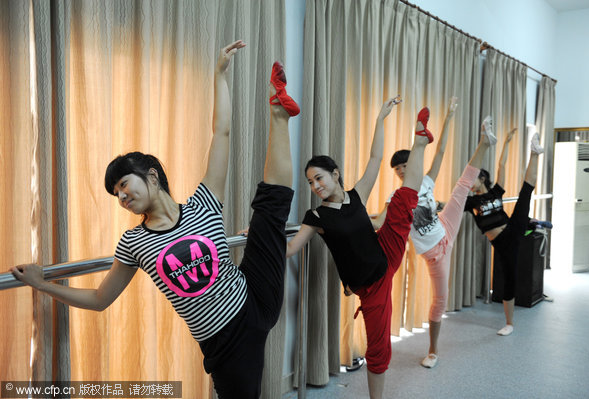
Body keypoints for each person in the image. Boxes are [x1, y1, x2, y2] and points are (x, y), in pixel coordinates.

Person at [11, 41, 300, 399]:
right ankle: (278, 113)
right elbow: (101, 298)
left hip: (253, 294)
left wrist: (219, 75)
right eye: (116, 194)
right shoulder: (133, 243)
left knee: (270, 209)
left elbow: (221, 133)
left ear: (150, 175)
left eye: (123, 184)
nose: (121, 196)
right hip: (226, 340)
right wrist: (42, 285)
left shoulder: (203, 203)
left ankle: (278, 113)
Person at [287, 98, 431, 399]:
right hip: (371, 283)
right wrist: (261, 232)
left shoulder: (356, 194)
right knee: (378, 347)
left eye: (319, 178)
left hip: (385, 252)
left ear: (335, 174)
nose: (315, 186)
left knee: (404, 199)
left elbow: (376, 158)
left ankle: (420, 142)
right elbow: (290, 248)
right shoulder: (316, 216)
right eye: (311, 182)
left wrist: (380, 118)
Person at [373, 99, 495, 369]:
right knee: (440, 300)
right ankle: (433, 350)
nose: (402, 170)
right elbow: (378, 222)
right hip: (435, 253)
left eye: (405, 164)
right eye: (397, 169)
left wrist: (450, 116)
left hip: (446, 226)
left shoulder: (426, 180)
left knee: (462, 185)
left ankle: (485, 142)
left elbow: (439, 151)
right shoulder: (396, 197)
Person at [465, 124, 544, 336]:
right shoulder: (470, 202)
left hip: (512, 228)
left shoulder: (495, 192)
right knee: (510, 278)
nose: (469, 182)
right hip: (502, 243)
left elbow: (502, 164)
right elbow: (449, 205)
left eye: (473, 177)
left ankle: (534, 153)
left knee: (526, 192)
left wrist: (507, 142)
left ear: (482, 178)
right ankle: (509, 323)